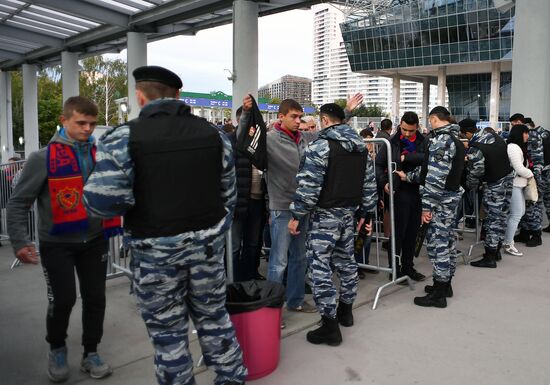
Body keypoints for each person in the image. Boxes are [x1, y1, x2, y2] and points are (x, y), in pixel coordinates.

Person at [83, 66, 246, 385]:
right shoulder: (214, 136)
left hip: (155, 259)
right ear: (179, 96)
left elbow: (99, 203)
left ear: (140, 96)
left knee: (170, 339)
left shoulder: (123, 138)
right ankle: (232, 378)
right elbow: (229, 197)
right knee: (216, 322)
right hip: (207, 255)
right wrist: (209, 235)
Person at [7, 96, 113, 382]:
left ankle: (91, 353)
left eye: (92, 123)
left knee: (95, 298)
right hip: (57, 244)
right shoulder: (42, 158)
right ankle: (56, 347)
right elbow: (18, 203)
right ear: (64, 120)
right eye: (81, 123)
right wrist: (20, 242)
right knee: (63, 299)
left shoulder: (99, 154)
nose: (88, 129)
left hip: (94, 239)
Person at [289, 103, 377, 346]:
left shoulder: (320, 146)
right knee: (347, 261)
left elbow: (309, 186)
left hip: (324, 217)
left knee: (320, 268)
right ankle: (345, 311)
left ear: (325, 120)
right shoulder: (360, 146)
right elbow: (369, 183)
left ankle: (329, 325)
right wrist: (367, 214)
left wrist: (297, 215)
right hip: (349, 214)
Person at [399, 106, 464, 308]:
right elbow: (430, 170)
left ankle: (439, 294)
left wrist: (426, 208)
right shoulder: (455, 139)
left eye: (429, 120)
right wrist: (408, 176)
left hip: (440, 201)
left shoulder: (441, 141)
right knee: (448, 243)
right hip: (449, 199)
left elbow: (435, 179)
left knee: (438, 246)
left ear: (434, 119)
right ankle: (445, 285)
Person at [376, 111, 427, 281]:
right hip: (397, 191)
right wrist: (384, 183)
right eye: (404, 129)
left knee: (412, 232)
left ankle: (408, 266)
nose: (406, 133)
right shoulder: (391, 142)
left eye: (410, 131)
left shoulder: (424, 141)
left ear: (417, 127)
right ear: (400, 126)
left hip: (417, 191)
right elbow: (378, 164)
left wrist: (407, 157)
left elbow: (429, 159)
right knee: (397, 233)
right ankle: (395, 269)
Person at [460, 119, 514, 267]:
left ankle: (490, 257)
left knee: (492, 219)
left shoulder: (476, 147)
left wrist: (470, 185)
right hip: (508, 179)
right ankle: (496, 251)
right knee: (502, 216)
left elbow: (476, 171)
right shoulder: (494, 136)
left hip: (495, 183)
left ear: (467, 133)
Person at [228, 104, 267, 282]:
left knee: (253, 244)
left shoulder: (261, 143)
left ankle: (249, 276)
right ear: (240, 121)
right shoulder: (230, 142)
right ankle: (233, 280)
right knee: (235, 246)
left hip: (257, 202)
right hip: (237, 203)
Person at [503, 124, 533, 256]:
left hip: (518, 184)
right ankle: (508, 243)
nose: (527, 135)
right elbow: (519, 168)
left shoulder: (517, 147)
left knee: (517, 213)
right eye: (525, 133)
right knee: (516, 214)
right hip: (514, 184)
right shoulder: (513, 147)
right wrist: (531, 174)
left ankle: (507, 241)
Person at [514, 117, 545, 247]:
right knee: (525, 207)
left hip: (533, 177)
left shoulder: (533, 137)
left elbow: (537, 160)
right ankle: (525, 232)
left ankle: (536, 235)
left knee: (533, 206)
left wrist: (534, 179)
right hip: (527, 176)